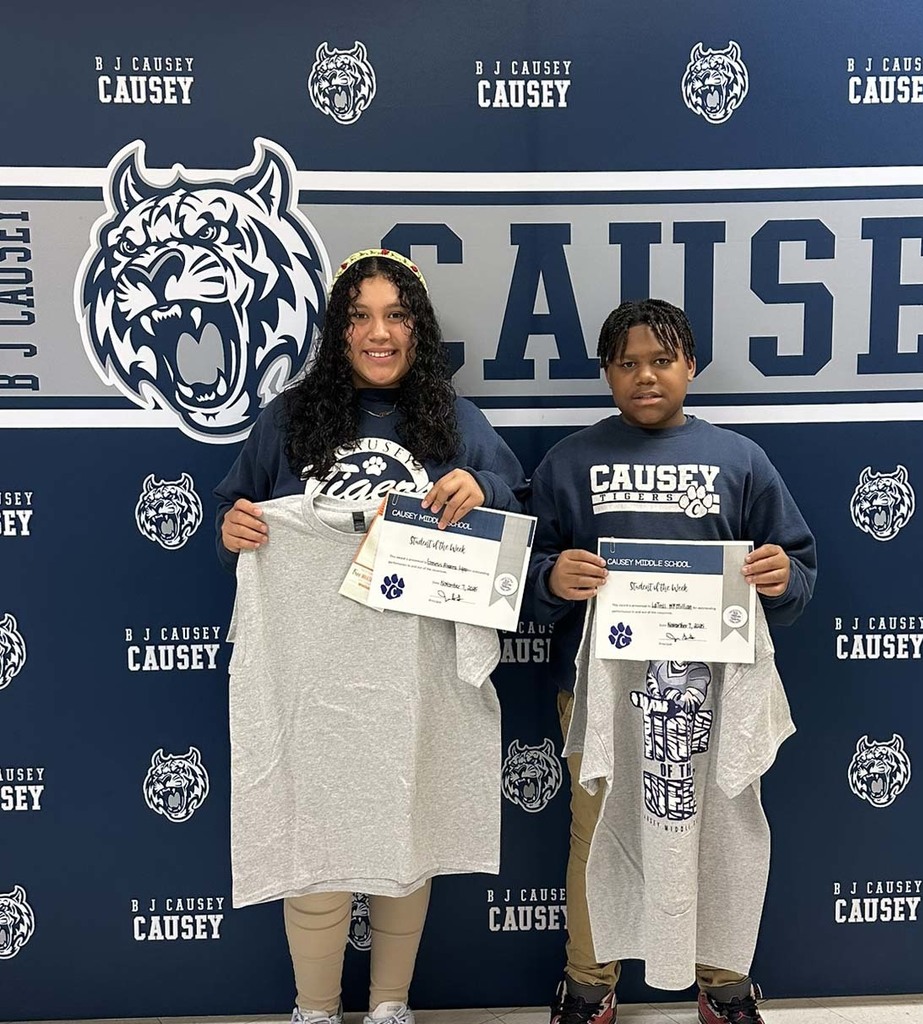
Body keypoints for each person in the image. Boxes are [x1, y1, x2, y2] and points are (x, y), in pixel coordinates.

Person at [215, 248, 528, 1024]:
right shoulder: (290, 416)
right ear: (338, 329)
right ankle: (314, 1007)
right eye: (360, 316)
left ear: (417, 329)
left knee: (405, 828)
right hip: (311, 675)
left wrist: (481, 486)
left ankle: (392, 1003)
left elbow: (518, 513)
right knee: (314, 832)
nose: (378, 332)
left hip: (412, 673)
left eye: (395, 316)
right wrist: (236, 526)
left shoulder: (456, 421)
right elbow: (234, 514)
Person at [527, 299, 816, 1024]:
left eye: (661, 360)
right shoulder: (569, 460)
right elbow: (523, 577)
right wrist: (551, 580)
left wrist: (784, 579)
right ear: (607, 373)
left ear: (690, 365)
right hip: (599, 694)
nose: (645, 376)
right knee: (600, 836)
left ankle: (724, 982)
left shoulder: (741, 460)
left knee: (719, 827)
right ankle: (588, 984)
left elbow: (798, 571)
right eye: (627, 363)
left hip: (714, 691)